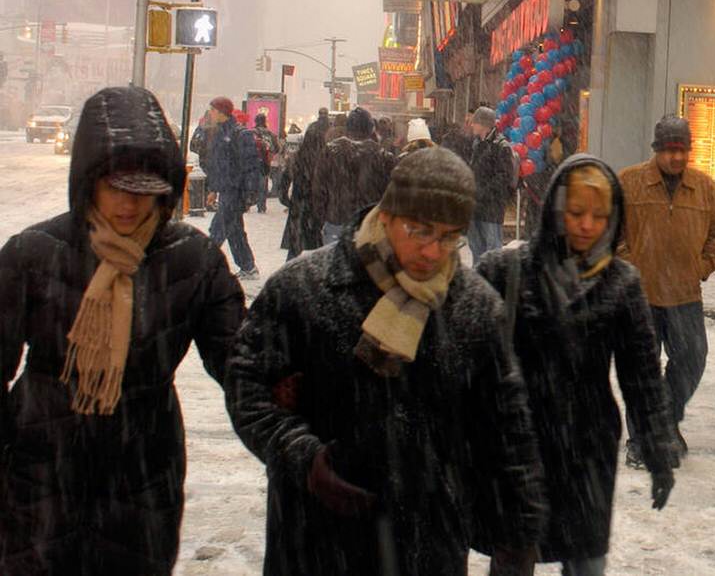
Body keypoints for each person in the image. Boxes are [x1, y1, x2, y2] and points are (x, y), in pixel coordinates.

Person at [224, 147, 546, 576]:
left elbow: (509, 427)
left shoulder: (474, 307)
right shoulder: (305, 290)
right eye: (420, 230)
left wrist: (516, 540)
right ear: (387, 213)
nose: (433, 252)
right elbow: (247, 384)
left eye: (450, 237)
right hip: (315, 540)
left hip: (428, 544)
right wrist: (302, 456)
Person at [0, 86, 246, 575]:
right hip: (38, 472)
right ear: (89, 181)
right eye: (117, 187)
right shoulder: (33, 254)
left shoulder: (192, 261)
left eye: (146, 191)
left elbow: (242, 364)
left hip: (143, 474)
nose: (130, 206)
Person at [477, 155, 677, 575]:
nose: (588, 225)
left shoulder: (620, 283)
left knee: (585, 560)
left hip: (586, 445)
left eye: (600, 216)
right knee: (514, 557)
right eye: (577, 212)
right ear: (555, 209)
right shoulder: (505, 271)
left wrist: (658, 450)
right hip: (518, 442)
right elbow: (467, 356)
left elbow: (641, 376)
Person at [617, 115, 715, 467]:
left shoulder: (706, 188)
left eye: (682, 151)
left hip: (684, 295)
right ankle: (640, 438)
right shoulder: (629, 182)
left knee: (692, 360)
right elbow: (611, 232)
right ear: (657, 150)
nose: (676, 158)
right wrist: (628, 264)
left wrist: (702, 267)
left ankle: (663, 423)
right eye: (669, 150)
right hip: (640, 296)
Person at [313, 107, 397, 247]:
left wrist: (322, 216)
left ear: (348, 128)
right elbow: (390, 194)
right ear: (370, 129)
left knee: (336, 265)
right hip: (369, 225)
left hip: (336, 221)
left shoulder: (331, 151)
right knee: (367, 268)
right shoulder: (383, 156)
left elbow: (319, 189)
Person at [204, 96, 263, 279]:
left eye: (213, 110)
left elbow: (251, 166)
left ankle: (204, 264)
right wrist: (213, 189)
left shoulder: (240, 134)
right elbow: (218, 165)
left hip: (235, 191)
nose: (210, 113)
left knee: (218, 229)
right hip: (226, 190)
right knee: (234, 230)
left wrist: (250, 193)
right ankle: (248, 266)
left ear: (222, 112)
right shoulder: (219, 133)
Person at [459, 107, 517, 262]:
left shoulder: (501, 146)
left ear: (484, 124)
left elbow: (503, 178)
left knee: (492, 251)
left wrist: (481, 193)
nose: (471, 125)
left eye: (475, 122)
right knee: (476, 249)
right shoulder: (477, 144)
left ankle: (492, 281)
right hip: (476, 207)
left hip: (491, 209)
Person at [282, 108, 330, 260]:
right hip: (318, 208)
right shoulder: (326, 159)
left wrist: (287, 200)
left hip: (300, 205)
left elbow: (284, 181)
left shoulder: (298, 158)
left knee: (296, 249)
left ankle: (291, 276)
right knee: (317, 249)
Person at [252, 112, 282, 214]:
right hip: (265, 161)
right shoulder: (270, 134)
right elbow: (277, 148)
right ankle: (262, 205)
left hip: (253, 160)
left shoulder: (252, 132)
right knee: (263, 184)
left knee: (251, 182)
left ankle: (249, 202)